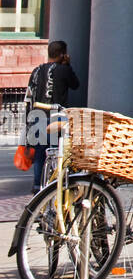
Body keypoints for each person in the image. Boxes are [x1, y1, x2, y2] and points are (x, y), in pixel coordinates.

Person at [23, 40, 80, 192]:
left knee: (40, 155)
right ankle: (56, 186)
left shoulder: (36, 70)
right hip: (56, 117)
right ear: (62, 54)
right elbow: (75, 84)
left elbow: (29, 97)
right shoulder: (64, 70)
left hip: (37, 116)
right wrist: (68, 65)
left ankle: (37, 187)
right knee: (57, 151)